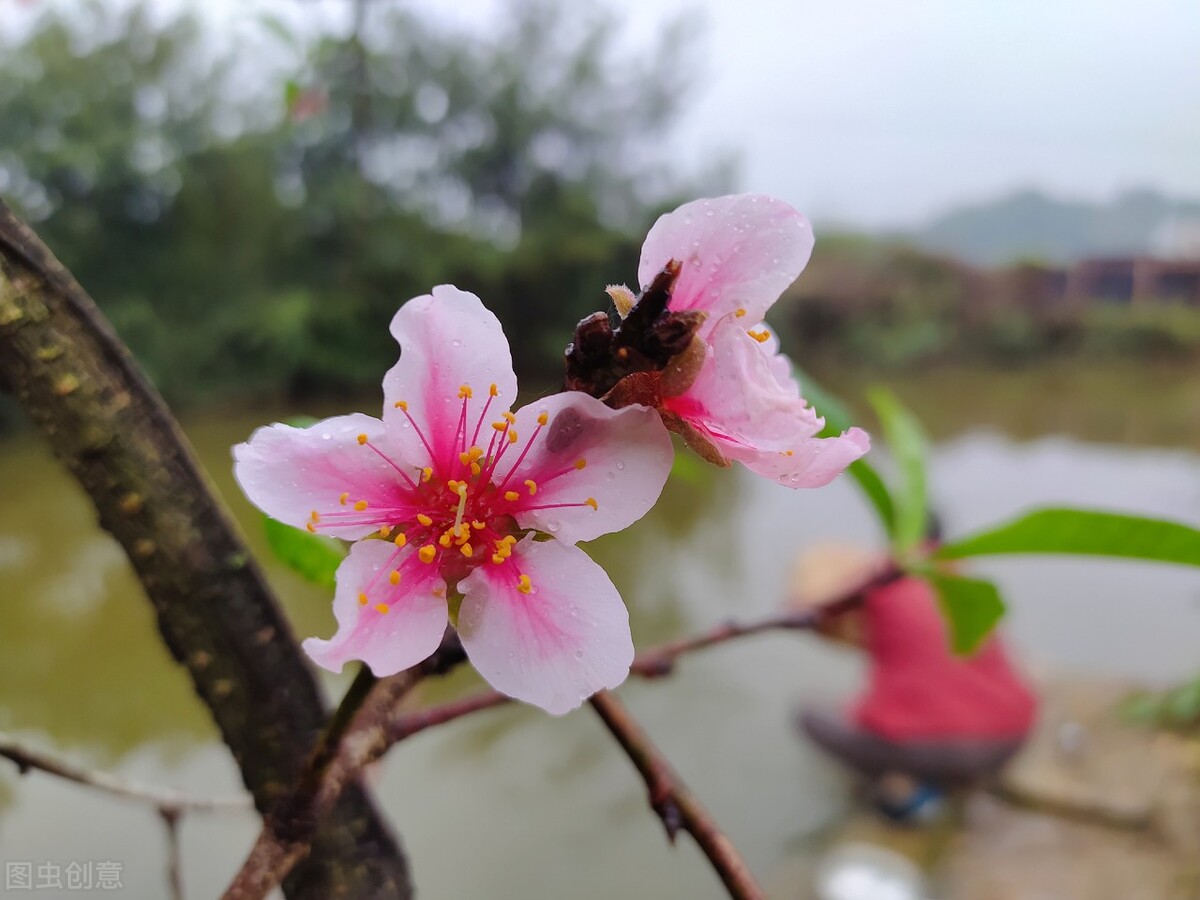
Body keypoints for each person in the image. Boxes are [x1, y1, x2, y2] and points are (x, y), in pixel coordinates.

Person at [790, 538, 1037, 816]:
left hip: (968, 751)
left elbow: (876, 717)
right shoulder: (933, 568)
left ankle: (912, 792)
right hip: (1018, 729)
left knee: (809, 716)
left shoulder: (873, 598)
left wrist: (854, 712)